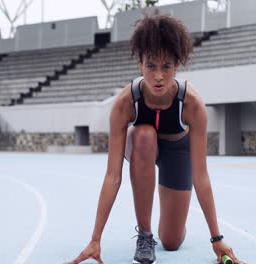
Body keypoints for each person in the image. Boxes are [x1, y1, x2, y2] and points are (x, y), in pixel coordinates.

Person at [64, 12, 246, 264]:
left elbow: (201, 176)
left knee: (171, 242)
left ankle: (171, 224)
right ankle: (145, 236)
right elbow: (112, 175)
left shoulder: (191, 104)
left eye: (166, 67)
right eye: (151, 66)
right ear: (140, 64)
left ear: (177, 65)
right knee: (144, 135)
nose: (158, 76)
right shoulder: (125, 103)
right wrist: (96, 238)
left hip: (177, 152)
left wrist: (217, 239)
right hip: (141, 147)